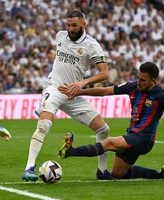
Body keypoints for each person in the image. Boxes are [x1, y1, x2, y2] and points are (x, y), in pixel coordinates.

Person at [58, 62, 164, 180]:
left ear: (153, 80)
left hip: (143, 139)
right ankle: (162, 175)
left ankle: (71, 152)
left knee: (109, 143)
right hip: (132, 135)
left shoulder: (162, 96)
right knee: (118, 175)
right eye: (138, 77)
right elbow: (104, 91)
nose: (139, 82)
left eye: (143, 80)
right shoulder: (132, 87)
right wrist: (79, 92)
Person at [22, 10, 111, 181]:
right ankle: (29, 169)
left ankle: (102, 171)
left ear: (84, 24)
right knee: (44, 125)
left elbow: (104, 73)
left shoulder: (91, 45)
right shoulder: (60, 36)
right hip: (54, 89)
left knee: (103, 129)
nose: (70, 28)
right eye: (68, 25)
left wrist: (82, 83)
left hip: (74, 93)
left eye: (74, 25)